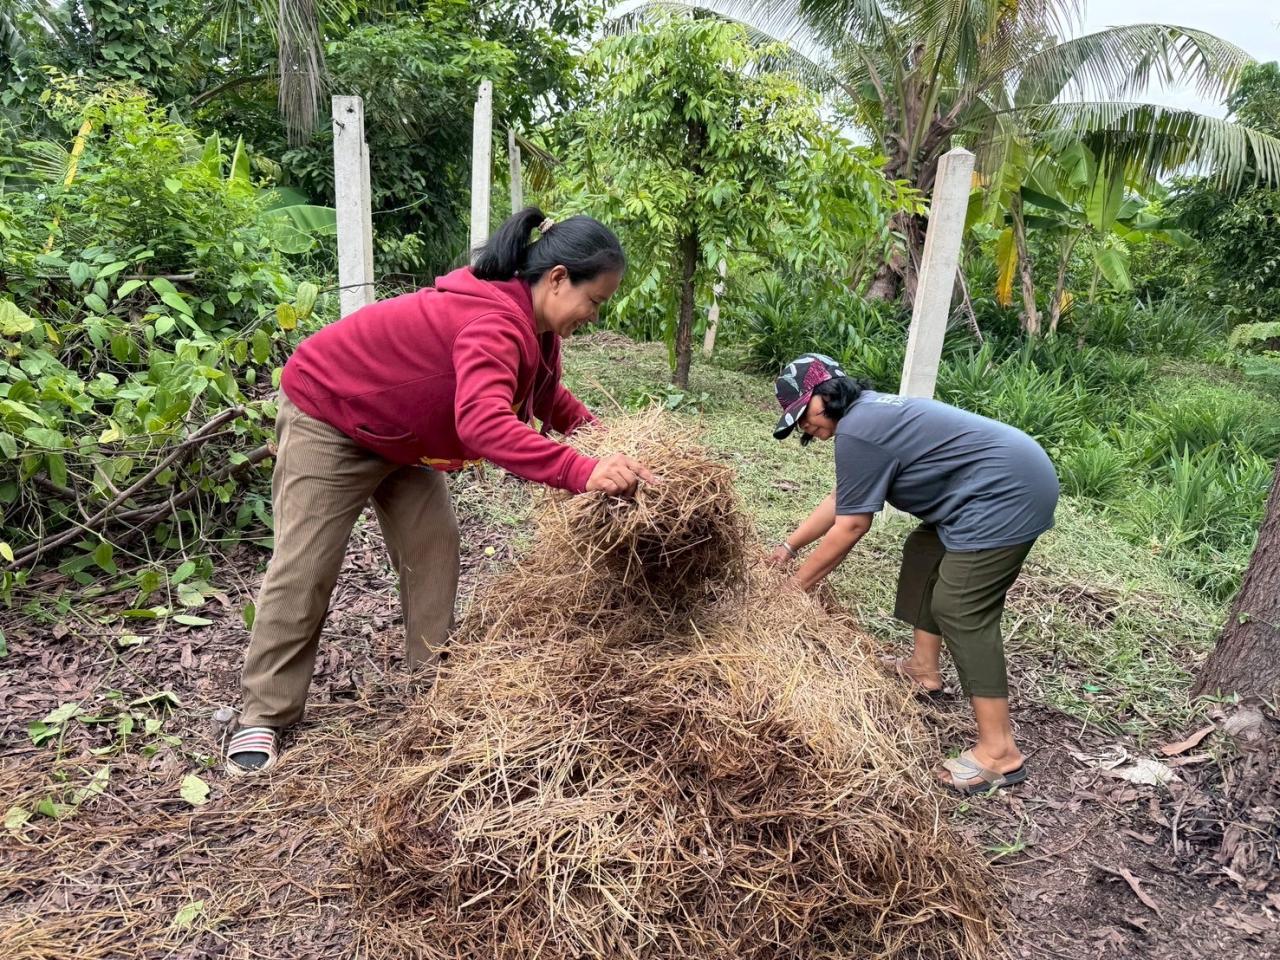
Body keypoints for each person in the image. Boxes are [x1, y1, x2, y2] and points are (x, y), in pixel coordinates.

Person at [227, 207, 655, 775]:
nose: (594, 316)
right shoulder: (493, 323)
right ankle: (264, 713)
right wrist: (582, 470)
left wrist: (606, 440)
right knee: (306, 564)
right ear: (557, 279)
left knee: (434, 545)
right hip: (331, 415)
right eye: (594, 301)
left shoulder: (537, 330)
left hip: (403, 434)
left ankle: (430, 684)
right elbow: (483, 423)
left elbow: (546, 397)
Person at [765, 353, 1059, 795]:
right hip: (990, 486)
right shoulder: (866, 418)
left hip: (1006, 493)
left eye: (804, 413)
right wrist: (788, 548)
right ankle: (923, 669)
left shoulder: (859, 428)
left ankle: (999, 752)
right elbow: (843, 498)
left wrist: (793, 589)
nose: (804, 426)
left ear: (827, 394)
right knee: (924, 550)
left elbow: (852, 525)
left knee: (960, 605)